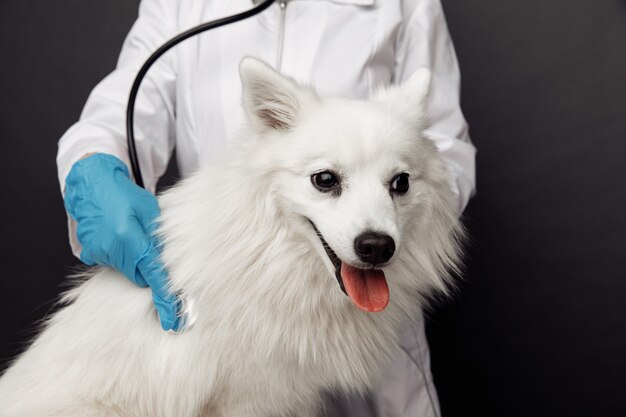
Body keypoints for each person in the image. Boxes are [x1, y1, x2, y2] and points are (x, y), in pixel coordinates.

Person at [57, 0, 476, 415]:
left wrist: (416, 207)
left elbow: (443, 148)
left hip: (379, 376)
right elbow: (123, 106)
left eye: (396, 184)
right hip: (227, 275)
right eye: (326, 181)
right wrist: (94, 164)